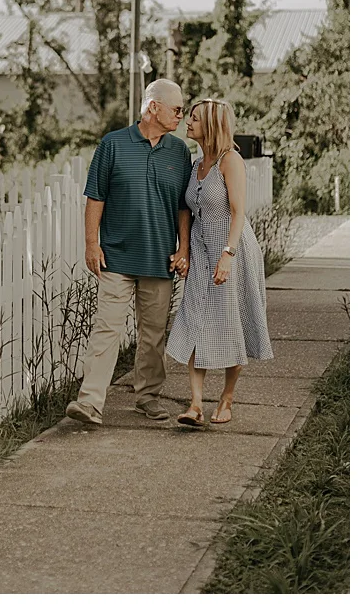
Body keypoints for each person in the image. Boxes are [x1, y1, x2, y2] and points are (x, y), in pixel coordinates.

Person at [66, 79, 192, 426]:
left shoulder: (179, 152)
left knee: (152, 335)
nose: (181, 115)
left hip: (159, 257)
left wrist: (184, 247)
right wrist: (92, 243)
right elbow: (95, 197)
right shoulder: (113, 144)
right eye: (176, 109)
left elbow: (184, 206)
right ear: (154, 107)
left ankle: (148, 397)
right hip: (116, 258)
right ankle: (90, 402)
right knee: (107, 328)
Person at [166, 98, 273, 427]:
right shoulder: (197, 163)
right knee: (193, 318)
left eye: (195, 119)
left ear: (211, 124)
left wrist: (227, 254)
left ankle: (227, 397)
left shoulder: (231, 161)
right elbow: (187, 209)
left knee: (230, 323)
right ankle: (195, 404)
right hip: (200, 249)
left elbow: (239, 212)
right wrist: (184, 249)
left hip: (231, 248)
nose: (188, 122)